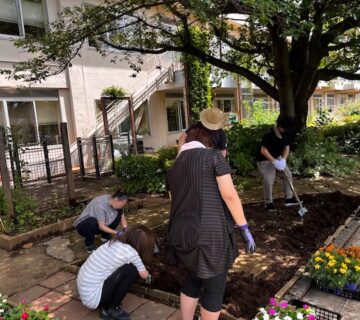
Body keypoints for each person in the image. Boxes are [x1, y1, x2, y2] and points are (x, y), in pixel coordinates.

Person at [168, 126, 256, 320]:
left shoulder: (177, 164)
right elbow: (230, 196)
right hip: (209, 237)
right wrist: (244, 227)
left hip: (182, 234)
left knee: (193, 278)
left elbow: (173, 200)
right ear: (215, 145)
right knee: (214, 289)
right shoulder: (213, 158)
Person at [77, 224, 154, 320]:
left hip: (85, 289)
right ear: (142, 245)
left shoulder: (114, 242)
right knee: (132, 270)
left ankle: (108, 305)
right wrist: (150, 277)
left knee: (126, 268)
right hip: (93, 298)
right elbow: (144, 275)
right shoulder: (131, 253)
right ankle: (111, 309)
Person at [256, 116, 298, 211]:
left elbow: (287, 147)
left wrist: (283, 159)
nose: (287, 130)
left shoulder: (286, 133)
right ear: (280, 126)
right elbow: (263, 150)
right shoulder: (269, 135)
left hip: (278, 157)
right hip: (265, 159)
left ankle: (288, 199)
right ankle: (269, 203)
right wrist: (274, 161)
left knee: (288, 174)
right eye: (285, 128)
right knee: (269, 180)